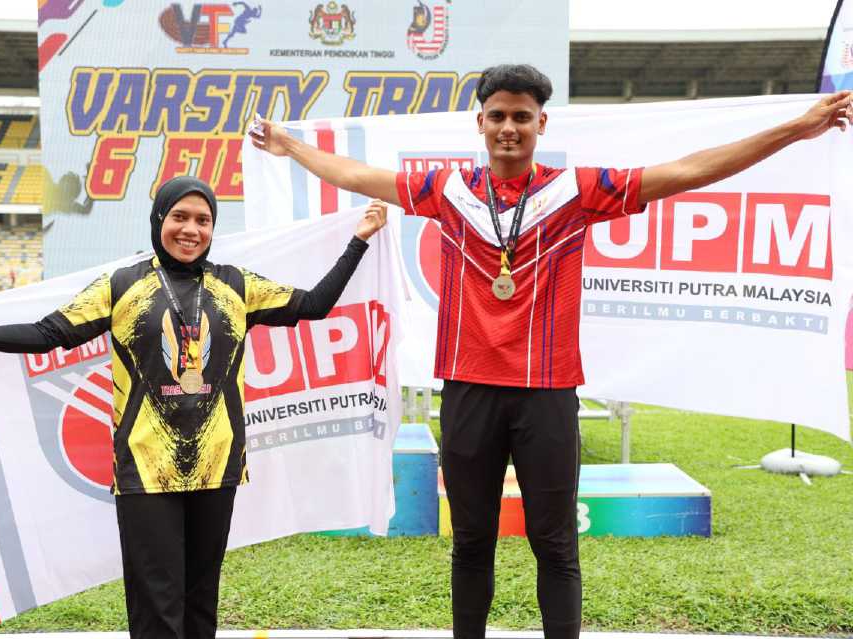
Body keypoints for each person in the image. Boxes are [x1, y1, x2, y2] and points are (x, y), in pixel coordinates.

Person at [250, 64, 853, 639]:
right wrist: (290, 145)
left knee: (555, 544)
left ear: (542, 123)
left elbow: (689, 170)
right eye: (497, 116)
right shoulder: (448, 191)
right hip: (468, 389)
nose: (508, 128)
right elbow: (356, 175)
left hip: (547, 394)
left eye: (521, 116)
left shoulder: (576, 191)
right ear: (480, 123)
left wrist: (796, 129)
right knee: (471, 542)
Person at [0, 175, 388, 639]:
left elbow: (314, 305)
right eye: (180, 217)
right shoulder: (122, 284)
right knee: (156, 603)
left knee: (201, 599)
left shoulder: (237, 285)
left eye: (203, 220)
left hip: (218, 465)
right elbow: (46, 334)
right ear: (158, 220)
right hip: (146, 468)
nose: (191, 230)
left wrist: (358, 241)